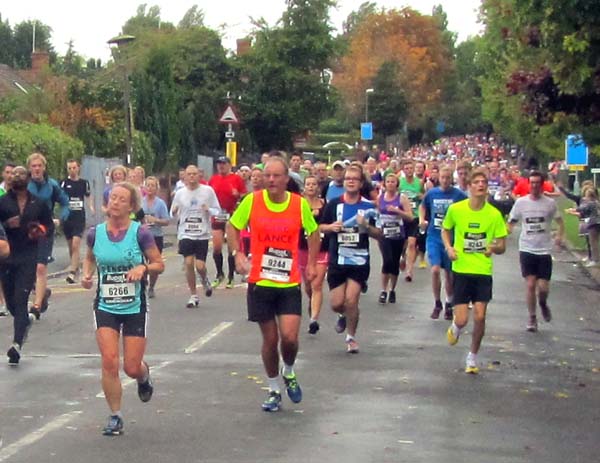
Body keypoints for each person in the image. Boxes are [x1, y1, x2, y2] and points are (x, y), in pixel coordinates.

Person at [226, 157, 319, 412]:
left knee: (289, 338)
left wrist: (311, 264)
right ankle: (274, 389)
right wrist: (238, 254)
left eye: (277, 176)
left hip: (287, 281)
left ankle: (288, 370)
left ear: (287, 179)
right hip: (260, 281)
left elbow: (313, 232)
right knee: (270, 339)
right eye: (267, 176)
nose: (271, 180)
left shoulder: (298, 205)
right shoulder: (252, 201)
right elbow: (232, 226)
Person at [81, 181, 164, 435]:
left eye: (121, 199)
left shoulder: (140, 233)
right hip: (106, 304)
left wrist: (143, 268)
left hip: (134, 306)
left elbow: (159, 263)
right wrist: (86, 274)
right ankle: (115, 416)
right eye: (112, 198)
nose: (115, 202)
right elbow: (90, 256)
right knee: (108, 361)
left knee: (130, 366)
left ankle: (143, 376)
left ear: (131, 206)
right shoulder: (95, 233)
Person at [442, 168, 507, 374]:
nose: (481, 185)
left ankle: (472, 356)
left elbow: (502, 245)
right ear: (469, 186)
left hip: (482, 271)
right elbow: (445, 229)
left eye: (484, 182)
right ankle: (456, 328)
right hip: (461, 269)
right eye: (476, 182)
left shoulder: (494, 214)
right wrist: (449, 247)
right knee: (462, 319)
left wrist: (493, 248)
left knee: (480, 316)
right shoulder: (457, 209)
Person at [321, 165, 381, 353]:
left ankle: (351, 337)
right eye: (348, 178)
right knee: (337, 303)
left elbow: (380, 234)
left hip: (359, 260)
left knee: (351, 300)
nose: (351, 181)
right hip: (337, 259)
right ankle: (342, 315)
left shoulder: (369, 207)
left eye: (355, 178)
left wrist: (366, 227)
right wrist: (331, 227)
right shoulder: (334, 204)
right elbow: (319, 227)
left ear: (361, 183)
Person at [0, 166, 53, 365]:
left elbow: (49, 227)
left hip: (28, 256)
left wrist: (39, 230)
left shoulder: (38, 203)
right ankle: (25, 321)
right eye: (13, 174)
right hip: (6, 257)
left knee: (21, 300)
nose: (16, 176)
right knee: (13, 305)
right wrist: (6, 225)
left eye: (21, 174)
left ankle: (16, 345)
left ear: (28, 178)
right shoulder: (3, 202)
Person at [508, 171, 565, 332]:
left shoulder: (550, 204)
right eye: (531, 183)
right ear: (528, 184)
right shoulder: (521, 203)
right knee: (531, 284)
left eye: (537, 183)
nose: (534, 186)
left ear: (542, 184)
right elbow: (511, 222)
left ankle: (543, 303)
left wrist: (560, 236)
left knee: (543, 287)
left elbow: (560, 222)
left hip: (544, 250)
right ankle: (532, 317)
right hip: (527, 248)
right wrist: (505, 233)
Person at [419, 165, 467, 320]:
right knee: (434, 270)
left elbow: (467, 211)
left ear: (451, 179)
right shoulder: (432, 193)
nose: (445, 181)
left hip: (451, 240)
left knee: (449, 274)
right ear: (438, 178)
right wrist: (422, 220)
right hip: (434, 236)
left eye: (448, 178)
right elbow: (422, 206)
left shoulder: (459, 195)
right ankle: (437, 302)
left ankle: (448, 302)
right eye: (443, 178)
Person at [27, 152, 70, 319]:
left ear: (44, 167)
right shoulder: (24, 185)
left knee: (40, 267)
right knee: (26, 267)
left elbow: (65, 202)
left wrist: (61, 218)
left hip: (46, 229)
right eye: (34, 166)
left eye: (39, 166)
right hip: (27, 231)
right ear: (29, 168)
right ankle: (42, 291)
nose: (37, 169)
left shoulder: (51, 185)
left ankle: (36, 306)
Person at [171, 165, 221, 308]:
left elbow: (217, 210)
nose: (192, 177)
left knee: (200, 266)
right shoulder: (180, 193)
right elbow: (172, 213)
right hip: (185, 233)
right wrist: (173, 211)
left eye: (194, 174)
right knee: (188, 263)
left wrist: (208, 209)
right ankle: (193, 295)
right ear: (184, 177)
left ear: (199, 175)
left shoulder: (207, 191)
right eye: (189, 174)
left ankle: (205, 280)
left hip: (202, 234)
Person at [208, 156, 246, 288]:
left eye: (223, 164)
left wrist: (237, 194)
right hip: (218, 215)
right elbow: (208, 195)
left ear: (229, 165)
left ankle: (230, 276)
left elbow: (244, 196)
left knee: (231, 248)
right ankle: (219, 274)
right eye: (219, 164)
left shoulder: (236, 179)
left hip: (231, 215)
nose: (221, 166)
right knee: (217, 246)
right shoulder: (213, 179)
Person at [376, 173, 413, 304]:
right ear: (384, 184)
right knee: (387, 261)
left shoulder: (402, 198)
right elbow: (377, 215)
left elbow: (410, 216)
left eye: (393, 182)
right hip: (384, 235)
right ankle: (383, 290)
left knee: (394, 262)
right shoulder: (380, 198)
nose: (390, 184)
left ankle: (392, 290)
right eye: (388, 182)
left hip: (398, 235)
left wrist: (398, 211)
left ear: (397, 184)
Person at [300, 175, 329, 334]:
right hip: (303, 248)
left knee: (317, 284)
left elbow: (331, 224)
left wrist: (324, 226)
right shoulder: (298, 204)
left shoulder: (325, 205)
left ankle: (314, 320)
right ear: (304, 187)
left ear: (318, 187)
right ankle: (312, 300)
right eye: (308, 184)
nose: (311, 187)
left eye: (314, 184)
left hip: (321, 249)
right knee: (308, 285)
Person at [61, 159, 94, 284]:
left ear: (78, 168)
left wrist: (91, 206)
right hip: (67, 218)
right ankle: (75, 267)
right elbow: (59, 197)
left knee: (76, 244)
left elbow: (88, 195)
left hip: (79, 217)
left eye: (74, 168)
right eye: (69, 168)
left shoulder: (83, 183)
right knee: (71, 246)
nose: (72, 170)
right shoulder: (64, 183)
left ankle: (72, 272)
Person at [142, 176, 170, 298]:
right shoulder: (140, 202)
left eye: (153, 186)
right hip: (142, 236)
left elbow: (167, 221)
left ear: (156, 188)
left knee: (154, 263)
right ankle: (142, 282)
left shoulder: (160, 204)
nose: (150, 188)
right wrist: (141, 224)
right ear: (144, 187)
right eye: (148, 185)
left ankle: (152, 286)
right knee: (140, 261)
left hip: (156, 236)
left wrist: (156, 220)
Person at [399, 160, 424, 281]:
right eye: (407, 168)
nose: (409, 170)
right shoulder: (400, 183)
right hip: (402, 217)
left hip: (414, 217)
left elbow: (423, 200)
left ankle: (409, 271)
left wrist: (421, 196)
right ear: (403, 170)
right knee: (403, 244)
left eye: (411, 168)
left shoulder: (419, 183)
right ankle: (403, 257)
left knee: (412, 243)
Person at [566, 185, 600, 267]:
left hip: (593, 224)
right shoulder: (596, 202)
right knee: (594, 242)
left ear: (589, 196)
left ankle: (595, 260)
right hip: (597, 222)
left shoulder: (590, 203)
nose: (585, 198)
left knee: (593, 243)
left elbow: (582, 209)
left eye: (586, 196)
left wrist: (571, 210)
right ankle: (593, 258)